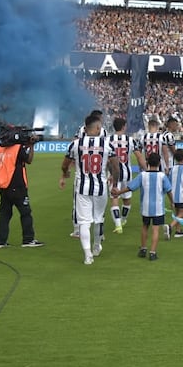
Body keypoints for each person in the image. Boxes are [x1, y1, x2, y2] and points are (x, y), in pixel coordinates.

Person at [61, 114, 121, 265]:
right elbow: (116, 166)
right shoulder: (106, 144)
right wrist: (114, 185)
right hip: (100, 187)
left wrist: (65, 173)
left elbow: (65, 163)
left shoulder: (75, 144)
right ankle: (96, 246)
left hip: (82, 187)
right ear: (98, 128)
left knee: (83, 222)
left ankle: (87, 255)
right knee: (98, 218)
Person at [111, 152, 171, 262]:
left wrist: (119, 192)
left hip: (145, 207)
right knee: (156, 229)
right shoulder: (162, 176)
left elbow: (130, 187)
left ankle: (143, 249)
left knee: (145, 227)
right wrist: (172, 202)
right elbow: (169, 190)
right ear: (159, 163)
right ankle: (153, 252)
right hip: (158, 208)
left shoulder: (142, 175)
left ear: (147, 162)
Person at [0, 125, 44, 249]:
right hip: (17, 185)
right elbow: (29, 160)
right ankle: (28, 239)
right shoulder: (17, 148)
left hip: (4, 184)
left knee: (4, 214)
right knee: (26, 213)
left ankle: (1, 241)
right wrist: (31, 146)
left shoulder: (0, 147)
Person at [108, 117, 147, 233]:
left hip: (113, 174)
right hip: (127, 174)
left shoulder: (108, 140)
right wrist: (147, 170)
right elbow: (139, 157)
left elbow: (106, 160)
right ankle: (123, 219)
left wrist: (108, 173)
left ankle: (118, 225)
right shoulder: (130, 140)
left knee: (114, 197)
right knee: (127, 199)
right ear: (124, 127)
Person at [167, 147, 183, 238]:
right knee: (182, 213)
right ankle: (170, 226)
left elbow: (169, 183)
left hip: (173, 195)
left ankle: (178, 231)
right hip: (181, 195)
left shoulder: (173, 169)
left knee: (178, 213)